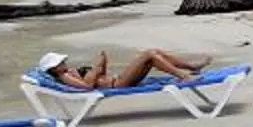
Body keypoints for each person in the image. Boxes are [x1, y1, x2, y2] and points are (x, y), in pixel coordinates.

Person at [37, 48, 212, 92]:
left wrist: (102, 65)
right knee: (149, 54)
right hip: (117, 84)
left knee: (154, 53)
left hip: (116, 80)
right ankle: (184, 75)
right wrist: (97, 68)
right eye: (61, 62)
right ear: (55, 68)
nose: (64, 62)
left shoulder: (68, 72)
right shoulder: (65, 76)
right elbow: (88, 86)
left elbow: (97, 77)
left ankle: (191, 67)